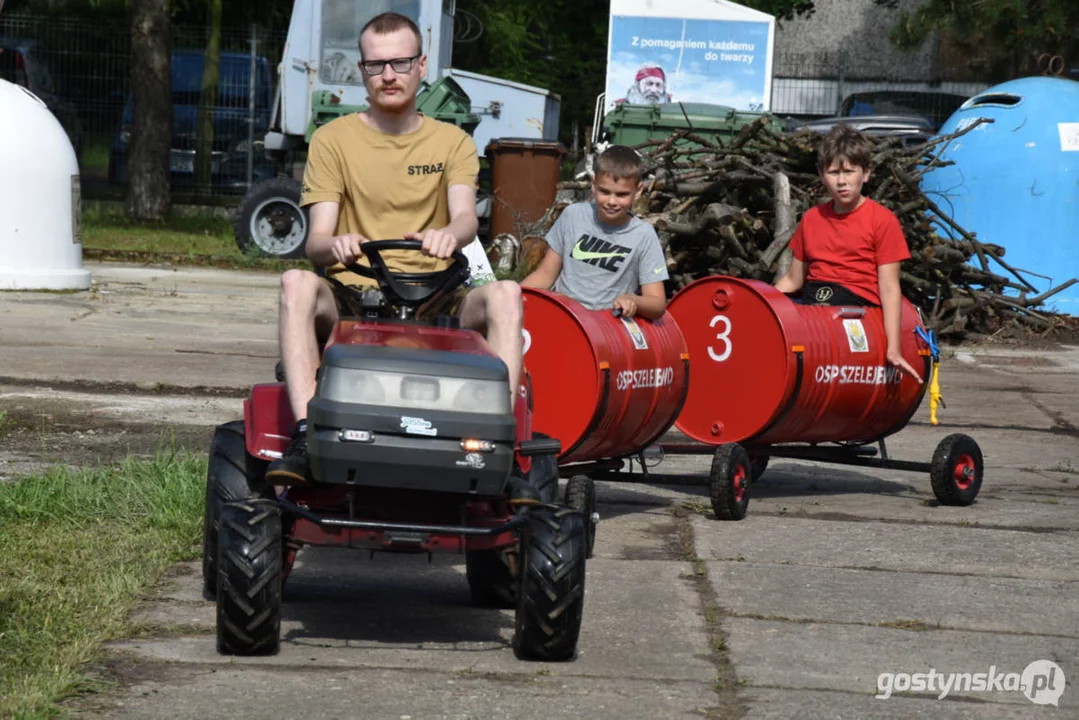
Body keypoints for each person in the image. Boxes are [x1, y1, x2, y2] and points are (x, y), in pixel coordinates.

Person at [267, 12, 523, 485]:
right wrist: (335, 243)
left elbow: (466, 215)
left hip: (437, 294)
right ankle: (307, 432)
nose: (389, 75)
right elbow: (315, 242)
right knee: (296, 283)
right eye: (376, 65)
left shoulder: (453, 142)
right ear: (361, 70)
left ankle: (498, 443)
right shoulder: (332, 140)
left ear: (422, 66)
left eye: (401, 63)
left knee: (506, 293)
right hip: (355, 296)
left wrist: (453, 233)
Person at [774, 123, 922, 382]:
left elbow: (889, 288)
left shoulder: (882, 221)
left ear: (866, 174)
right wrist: (760, 306)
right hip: (813, 305)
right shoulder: (811, 219)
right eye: (833, 173)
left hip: (855, 308)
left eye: (849, 171)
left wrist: (893, 348)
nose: (841, 181)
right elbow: (793, 280)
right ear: (821, 175)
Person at [522, 145, 668, 320]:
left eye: (621, 195)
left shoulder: (644, 235)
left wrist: (632, 300)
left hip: (607, 327)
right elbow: (545, 274)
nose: (612, 201)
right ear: (593, 185)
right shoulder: (572, 215)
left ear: (638, 192)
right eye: (604, 192)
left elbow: (657, 303)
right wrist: (514, 296)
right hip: (561, 316)